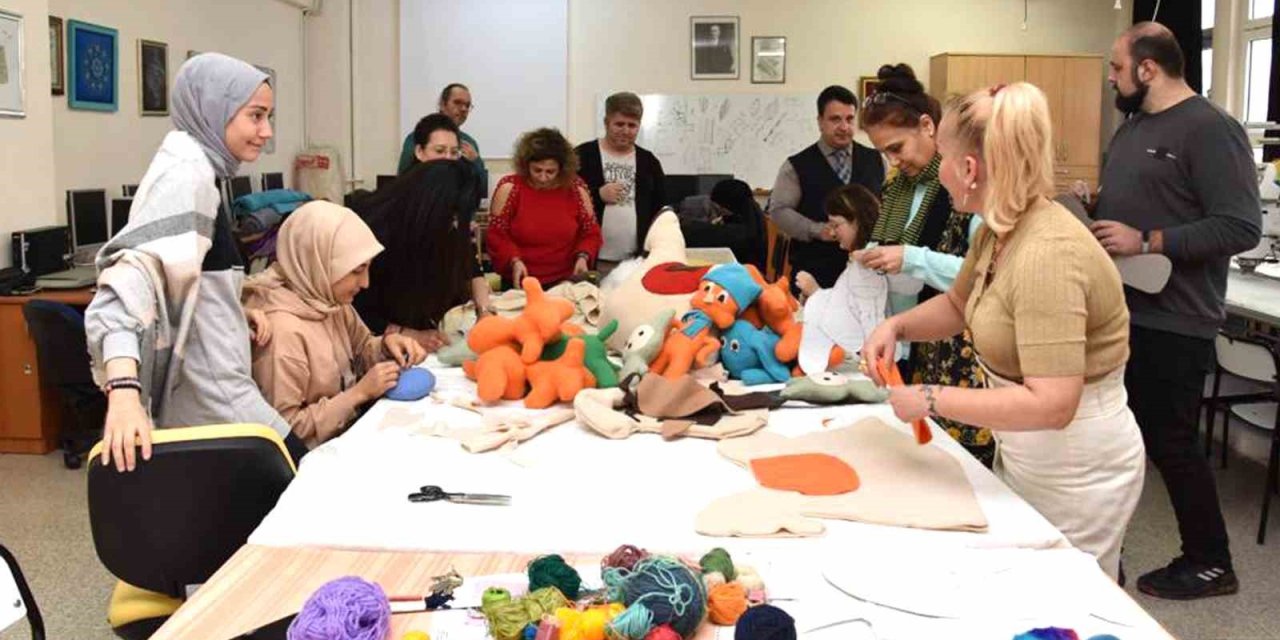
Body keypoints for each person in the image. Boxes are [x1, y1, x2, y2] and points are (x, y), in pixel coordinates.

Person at [862, 82, 1146, 581]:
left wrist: (930, 398)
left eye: (945, 158)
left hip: (1077, 467)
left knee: (1065, 602)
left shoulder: (1047, 254)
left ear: (969, 170)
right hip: (1029, 452)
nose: (940, 172)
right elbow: (958, 303)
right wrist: (897, 324)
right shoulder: (1000, 228)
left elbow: (1052, 405)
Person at [1089, 22, 1260, 599]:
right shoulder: (1135, 126)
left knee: (1173, 442)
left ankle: (1212, 561)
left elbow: (1240, 225)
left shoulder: (1211, 129)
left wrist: (1149, 240)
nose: (1112, 79)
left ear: (1146, 68)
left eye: (1117, 69)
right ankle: (1108, 550)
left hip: (1175, 316)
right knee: (1126, 441)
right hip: (1125, 309)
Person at [86, 53, 298, 471]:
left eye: (268, 116)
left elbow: (189, 272)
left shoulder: (202, 168)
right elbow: (124, 287)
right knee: (302, 480)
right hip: (216, 396)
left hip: (217, 387)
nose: (266, 131)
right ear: (214, 108)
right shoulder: (187, 175)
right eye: (255, 116)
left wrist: (234, 310)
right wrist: (124, 392)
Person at [856, 63, 991, 466]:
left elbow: (985, 275)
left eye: (896, 148)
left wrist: (911, 258)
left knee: (964, 465)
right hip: (918, 348)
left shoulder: (965, 192)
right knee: (925, 456)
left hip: (962, 349)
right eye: (884, 153)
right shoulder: (898, 187)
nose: (893, 162)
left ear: (929, 127)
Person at [244, 202, 426, 449]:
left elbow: (360, 350)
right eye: (356, 271)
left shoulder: (328, 302)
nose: (365, 283)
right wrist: (358, 394)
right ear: (318, 262)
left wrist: (385, 346)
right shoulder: (282, 332)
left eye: (367, 269)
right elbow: (286, 433)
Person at [353, 159, 491, 351]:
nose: (457, 225)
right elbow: (357, 309)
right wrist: (407, 334)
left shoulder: (444, 225)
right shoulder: (376, 233)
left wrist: (484, 311)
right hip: (375, 340)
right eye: (453, 218)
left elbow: (469, 264)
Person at [768, 85, 885, 289]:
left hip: (868, 274)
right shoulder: (796, 166)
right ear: (820, 122)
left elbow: (886, 204)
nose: (844, 126)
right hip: (814, 271)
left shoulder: (875, 159)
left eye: (849, 119)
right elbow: (779, 211)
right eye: (835, 119)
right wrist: (817, 230)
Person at [485, 128, 603, 286]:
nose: (543, 177)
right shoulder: (510, 188)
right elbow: (497, 235)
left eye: (550, 172)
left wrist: (583, 256)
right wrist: (514, 260)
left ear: (562, 169)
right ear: (526, 165)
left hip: (564, 281)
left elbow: (591, 232)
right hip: (521, 278)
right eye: (537, 170)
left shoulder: (576, 188)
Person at [793, 184, 895, 365]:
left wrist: (816, 293)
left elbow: (858, 321)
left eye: (836, 225)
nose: (831, 233)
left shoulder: (870, 263)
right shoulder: (862, 258)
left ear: (857, 220)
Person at [575, 92, 666, 269]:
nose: (625, 131)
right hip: (591, 260)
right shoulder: (582, 156)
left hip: (636, 261)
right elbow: (564, 202)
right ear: (606, 123)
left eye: (632, 125)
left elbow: (660, 210)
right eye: (619, 124)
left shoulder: (649, 162)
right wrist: (597, 194)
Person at [397, 83, 488, 198]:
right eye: (457, 102)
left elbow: (481, 189)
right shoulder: (417, 137)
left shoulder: (469, 143)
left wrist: (476, 161)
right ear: (442, 104)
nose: (464, 109)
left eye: (467, 105)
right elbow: (403, 181)